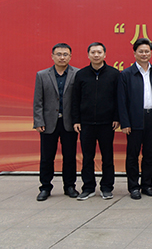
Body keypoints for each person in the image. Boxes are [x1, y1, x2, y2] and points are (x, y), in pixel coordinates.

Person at [71, 42, 120, 201]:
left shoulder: (114, 74)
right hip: (86, 123)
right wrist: (76, 119)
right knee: (87, 157)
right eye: (93, 52)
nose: (96, 55)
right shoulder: (81, 74)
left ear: (105, 54)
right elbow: (75, 99)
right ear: (88, 55)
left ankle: (107, 187)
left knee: (107, 157)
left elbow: (118, 98)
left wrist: (117, 118)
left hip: (107, 123)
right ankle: (88, 187)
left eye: (99, 52)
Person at [117, 38, 152, 200]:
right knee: (133, 155)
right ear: (135, 53)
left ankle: (147, 185)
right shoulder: (126, 74)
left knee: (149, 154)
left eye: (147, 51)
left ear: (151, 53)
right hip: (134, 119)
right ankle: (133, 187)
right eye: (141, 51)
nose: (144, 54)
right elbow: (121, 101)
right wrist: (125, 123)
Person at [33, 43, 79, 201]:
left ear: (70, 56)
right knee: (47, 157)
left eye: (65, 54)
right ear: (52, 56)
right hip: (48, 122)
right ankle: (45, 187)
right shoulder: (42, 75)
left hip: (69, 122)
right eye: (58, 54)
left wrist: (78, 120)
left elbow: (79, 100)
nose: (62, 57)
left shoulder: (77, 74)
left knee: (70, 156)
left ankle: (70, 186)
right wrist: (38, 121)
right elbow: (38, 101)